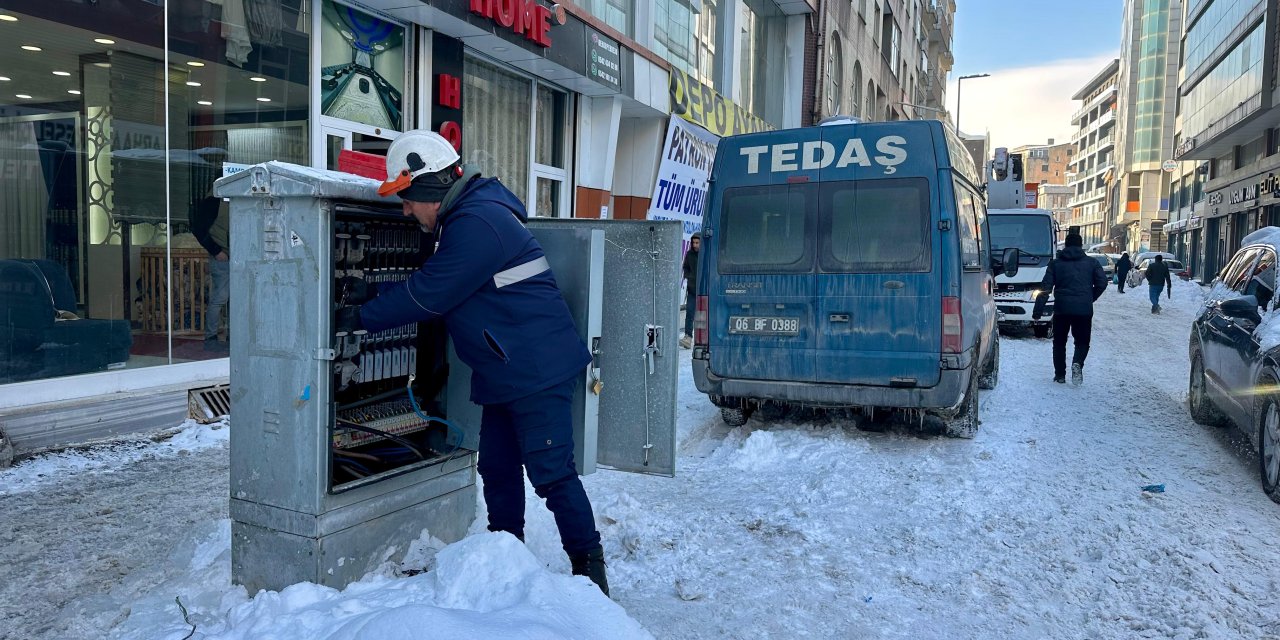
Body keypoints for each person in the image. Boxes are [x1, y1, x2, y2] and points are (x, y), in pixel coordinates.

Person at [337, 130, 609, 596]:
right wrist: (372, 292)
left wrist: (359, 315)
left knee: (552, 474)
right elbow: (443, 284)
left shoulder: (477, 222)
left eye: (406, 199)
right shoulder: (467, 218)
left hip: (534, 369)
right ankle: (508, 563)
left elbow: (431, 293)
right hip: (504, 367)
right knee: (498, 470)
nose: (404, 211)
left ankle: (592, 577)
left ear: (427, 188)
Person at [1032, 231, 1107, 385]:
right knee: (1082, 341)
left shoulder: (1055, 263)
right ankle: (1078, 362)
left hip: (1062, 309)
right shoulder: (1092, 263)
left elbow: (1045, 288)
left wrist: (1037, 311)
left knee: (1059, 342)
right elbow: (1102, 282)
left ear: (1065, 245)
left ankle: (1060, 375)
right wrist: (1090, 297)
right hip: (1084, 310)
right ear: (1081, 246)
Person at [191, 190, 230, 352]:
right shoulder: (213, 202)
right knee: (220, 298)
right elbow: (199, 229)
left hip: (235, 256)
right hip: (223, 256)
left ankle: (230, 337)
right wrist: (216, 251)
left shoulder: (228, 200)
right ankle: (211, 337)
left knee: (235, 300)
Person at [680, 233, 701, 349]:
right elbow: (686, 267)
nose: (695, 245)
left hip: (704, 290)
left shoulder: (706, 254)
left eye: (697, 243)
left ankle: (706, 339)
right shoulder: (689, 254)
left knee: (705, 315)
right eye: (693, 243)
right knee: (690, 313)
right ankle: (688, 337)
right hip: (692, 289)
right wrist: (689, 276)